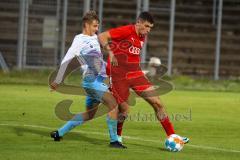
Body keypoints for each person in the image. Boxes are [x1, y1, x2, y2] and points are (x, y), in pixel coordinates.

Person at [98, 11, 189, 145]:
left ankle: (173, 136)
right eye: (146, 26)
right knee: (124, 109)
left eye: (150, 28)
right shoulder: (126, 31)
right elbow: (102, 36)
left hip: (136, 74)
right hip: (119, 75)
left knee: (157, 103)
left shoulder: (142, 35)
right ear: (138, 22)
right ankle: (117, 136)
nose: (148, 30)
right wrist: (110, 52)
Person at [49, 10, 126, 148]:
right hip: (91, 81)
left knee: (89, 114)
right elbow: (67, 60)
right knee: (113, 104)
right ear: (86, 25)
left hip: (100, 81)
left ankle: (59, 133)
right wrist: (58, 79)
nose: (97, 29)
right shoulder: (79, 40)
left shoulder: (96, 38)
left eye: (98, 26)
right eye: (95, 26)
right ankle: (114, 141)